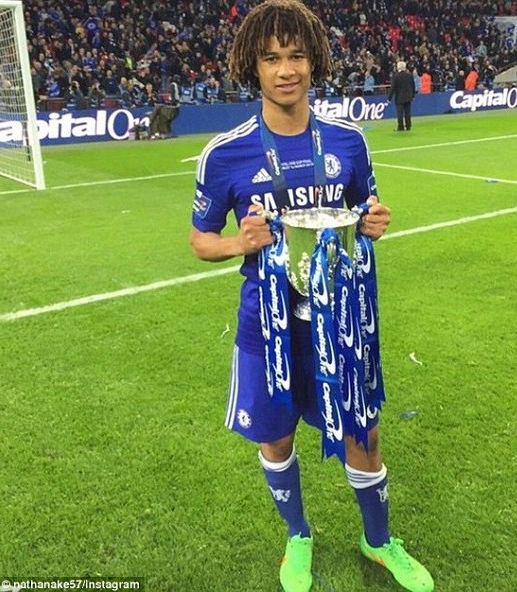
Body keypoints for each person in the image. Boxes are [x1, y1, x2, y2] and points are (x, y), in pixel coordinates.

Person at [189, 2, 434, 592]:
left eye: (296, 55)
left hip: (340, 322)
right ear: (254, 65)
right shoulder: (225, 153)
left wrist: (374, 222)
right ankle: (298, 535)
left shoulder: (349, 143)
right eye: (271, 58)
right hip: (267, 324)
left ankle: (378, 542)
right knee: (276, 437)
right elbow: (199, 240)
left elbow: (367, 212)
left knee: (363, 434)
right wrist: (235, 244)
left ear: (314, 60)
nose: (286, 70)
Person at [388, 60, 415, 132]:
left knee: (400, 113)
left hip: (399, 98)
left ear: (398, 67)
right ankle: (408, 126)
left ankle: (401, 127)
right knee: (407, 113)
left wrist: (389, 98)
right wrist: (413, 95)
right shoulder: (409, 75)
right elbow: (413, 86)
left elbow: (393, 87)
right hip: (408, 97)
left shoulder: (396, 76)